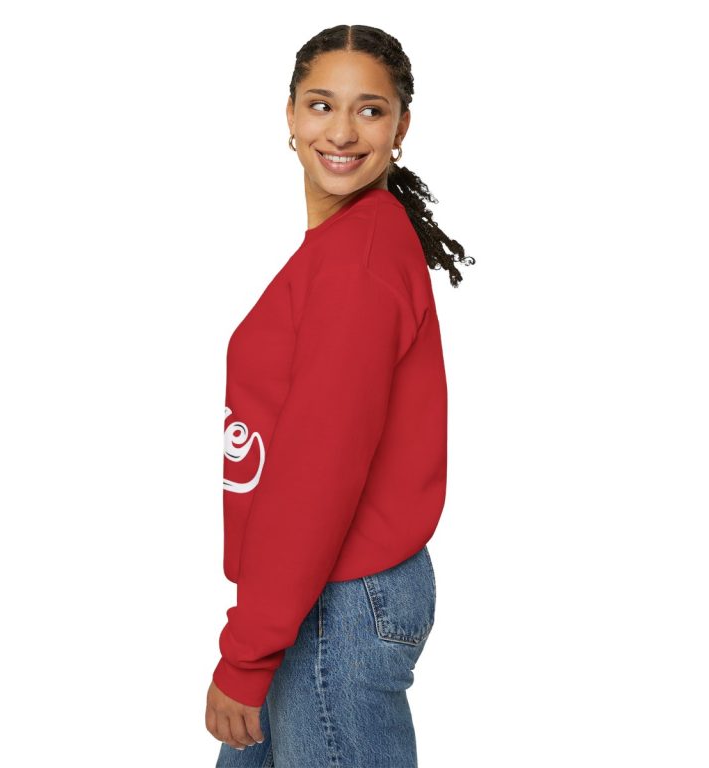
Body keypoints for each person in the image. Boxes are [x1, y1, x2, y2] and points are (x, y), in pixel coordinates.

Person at [205, 24, 473, 767]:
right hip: (306, 595)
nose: (343, 132)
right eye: (322, 105)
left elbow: (317, 472)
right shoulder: (347, 244)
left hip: (337, 601)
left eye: (370, 110)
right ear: (290, 115)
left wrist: (247, 654)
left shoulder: (358, 260)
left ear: (401, 127)